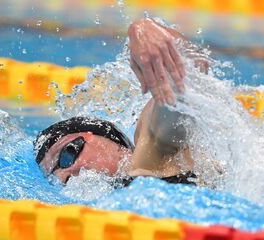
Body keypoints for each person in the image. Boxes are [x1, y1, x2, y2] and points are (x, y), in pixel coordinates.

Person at [34, 17, 205, 186]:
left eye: (67, 155)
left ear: (101, 136)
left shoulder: (149, 155)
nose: (64, 175)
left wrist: (142, 29)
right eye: (55, 178)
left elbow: (191, 79)